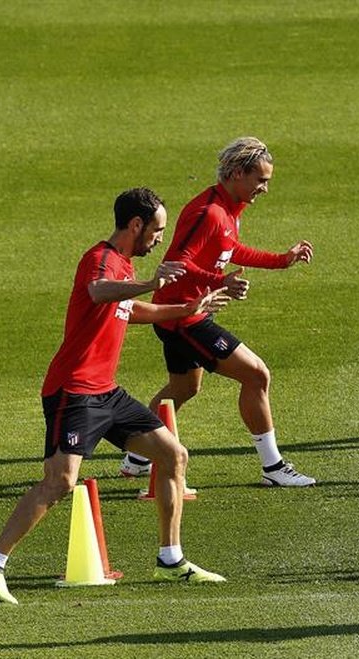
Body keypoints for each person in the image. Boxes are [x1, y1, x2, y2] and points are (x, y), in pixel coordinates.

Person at [0, 188, 231, 605]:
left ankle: (171, 558)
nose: (160, 237)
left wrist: (189, 308)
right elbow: (98, 293)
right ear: (135, 225)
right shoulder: (101, 260)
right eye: (157, 229)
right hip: (73, 392)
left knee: (173, 455)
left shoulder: (123, 267)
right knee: (60, 482)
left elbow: (133, 310)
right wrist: (148, 282)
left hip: (106, 393)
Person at [119, 137, 316, 487]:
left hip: (185, 314)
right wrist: (218, 281)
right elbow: (175, 263)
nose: (264, 189)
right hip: (183, 317)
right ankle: (273, 468)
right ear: (238, 174)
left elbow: (229, 249)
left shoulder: (227, 209)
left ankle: (136, 457)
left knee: (183, 388)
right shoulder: (208, 211)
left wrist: (282, 261)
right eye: (261, 180)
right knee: (256, 375)